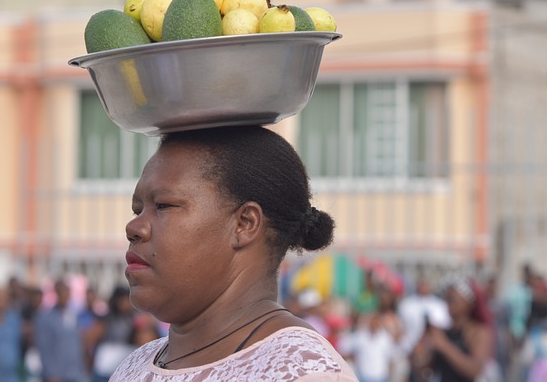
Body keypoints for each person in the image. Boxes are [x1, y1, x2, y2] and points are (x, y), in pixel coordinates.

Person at [109, 126, 358, 381]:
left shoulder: (302, 373)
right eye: (137, 210)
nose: (134, 227)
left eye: (163, 205)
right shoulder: (134, 367)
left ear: (244, 224)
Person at [410, 272, 498, 382]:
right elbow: (426, 371)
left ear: (469, 301)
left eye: (452, 299)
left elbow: (475, 370)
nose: (447, 303)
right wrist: (420, 354)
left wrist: (444, 345)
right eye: (445, 298)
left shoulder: (479, 332)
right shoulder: (443, 332)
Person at [34, 279, 86, 382]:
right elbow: (44, 348)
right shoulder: (46, 318)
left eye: (66, 292)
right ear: (56, 293)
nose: (65, 295)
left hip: (73, 372)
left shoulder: (72, 315)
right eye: (61, 292)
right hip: (56, 374)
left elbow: (77, 343)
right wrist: (50, 373)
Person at [84, 286, 136, 382]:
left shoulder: (132, 318)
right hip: (105, 368)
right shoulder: (105, 320)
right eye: (123, 300)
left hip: (124, 368)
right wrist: (90, 361)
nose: (125, 303)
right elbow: (89, 340)